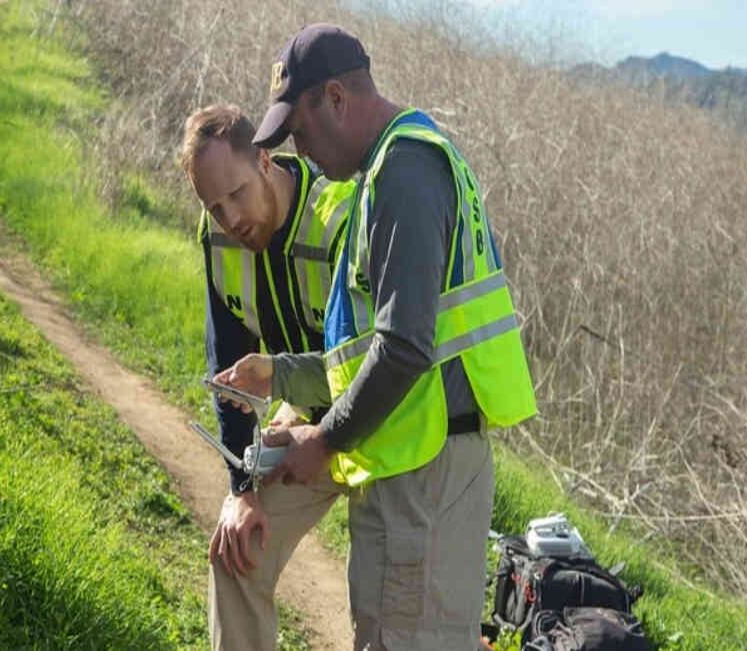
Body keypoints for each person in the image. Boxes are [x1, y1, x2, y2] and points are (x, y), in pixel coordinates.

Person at [215, 24, 537, 650]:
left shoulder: (403, 174)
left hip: (425, 478)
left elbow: (405, 348)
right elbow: (367, 353)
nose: (300, 153)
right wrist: (278, 373)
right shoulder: (387, 171)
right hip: (418, 465)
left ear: (335, 97)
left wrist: (323, 438)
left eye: (300, 132)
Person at [179, 104, 357, 649]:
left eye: (236, 194)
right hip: (302, 414)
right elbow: (229, 372)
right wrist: (243, 491)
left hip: (381, 418)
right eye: (214, 206)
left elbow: (383, 364)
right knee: (236, 554)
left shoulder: (341, 219)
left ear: (263, 157)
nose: (230, 218)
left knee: (389, 609)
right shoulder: (219, 240)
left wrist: (325, 435)